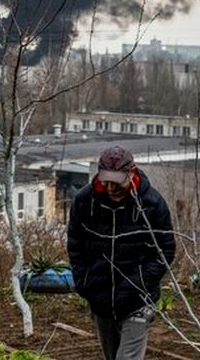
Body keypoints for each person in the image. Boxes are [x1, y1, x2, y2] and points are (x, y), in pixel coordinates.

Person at [67, 145, 176, 360]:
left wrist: (139, 284)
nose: (110, 186)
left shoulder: (152, 204)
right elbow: (75, 246)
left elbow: (165, 250)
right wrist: (84, 282)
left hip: (138, 301)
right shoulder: (84, 202)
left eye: (117, 180)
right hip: (100, 297)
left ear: (131, 172)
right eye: (105, 179)